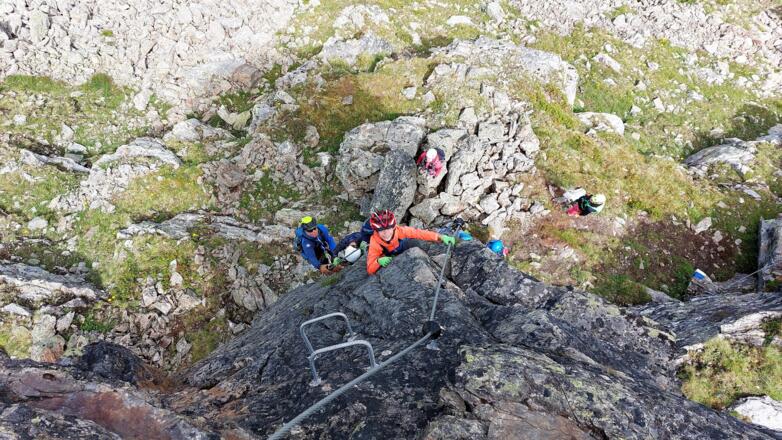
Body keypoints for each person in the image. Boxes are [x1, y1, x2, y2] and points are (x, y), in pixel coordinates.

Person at [366, 210, 455, 275]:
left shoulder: (399, 230)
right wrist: (378, 261)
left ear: (393, 227)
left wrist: (440, 237)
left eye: (388, 229)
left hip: (400, 248)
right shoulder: (375, 242)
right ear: (376, 231)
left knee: (414, 242)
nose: (386, 233)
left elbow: (419, 233)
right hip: (388, 257)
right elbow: (370, 269)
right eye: (381, 230)